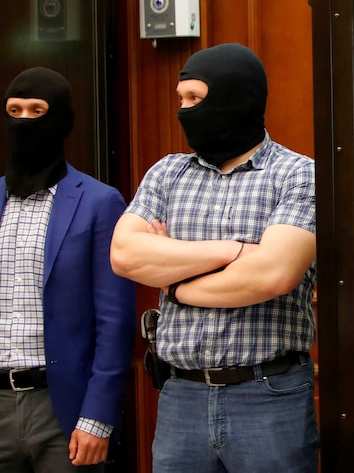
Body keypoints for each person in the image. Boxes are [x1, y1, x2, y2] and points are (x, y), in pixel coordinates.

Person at [109, 43, 318, 473]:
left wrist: (174, 284)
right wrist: (235, 251)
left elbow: (273, 275)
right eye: (180, 99)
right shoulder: (167, 173)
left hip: (269, 393)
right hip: (181, 395)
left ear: (236, 97)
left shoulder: (298, 174)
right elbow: (125, 255)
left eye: (195, 99)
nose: (184, 111)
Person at [0, 67, 137, 472]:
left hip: (63, 411)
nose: (24, 121)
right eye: (14, 110)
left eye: (37, 110)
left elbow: (114, 321)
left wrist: (98, 418)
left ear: (61, 120)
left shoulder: (99, 202)